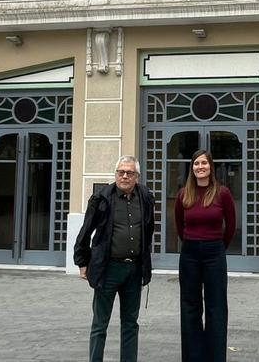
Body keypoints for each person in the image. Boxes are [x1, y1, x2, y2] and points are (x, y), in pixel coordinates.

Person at [74, 155, 155, 362]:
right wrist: (82, 262)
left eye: (129, 173)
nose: (125, 176)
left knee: (130, 323)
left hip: (134, 270)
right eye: (121, 172)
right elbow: (85, 232)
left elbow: (148, 229)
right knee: (100, 324)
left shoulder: (145, 197)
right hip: (108, 269)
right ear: (116, 174)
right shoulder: (102, 198)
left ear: (137, 176)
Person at [174, 149, 236, 362]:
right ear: (192, 168)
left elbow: (231, 225)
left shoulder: (222, 193)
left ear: (211, 167)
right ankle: (193, 357)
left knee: (216, 306)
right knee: (190, 305)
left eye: (204, 163)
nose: (200, 167)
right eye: (196, 164)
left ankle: (215, 357)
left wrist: (217, 246)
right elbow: (179, 225)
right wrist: (192, 241)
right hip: (189, 253)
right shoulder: (184, 194)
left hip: (214, 253)